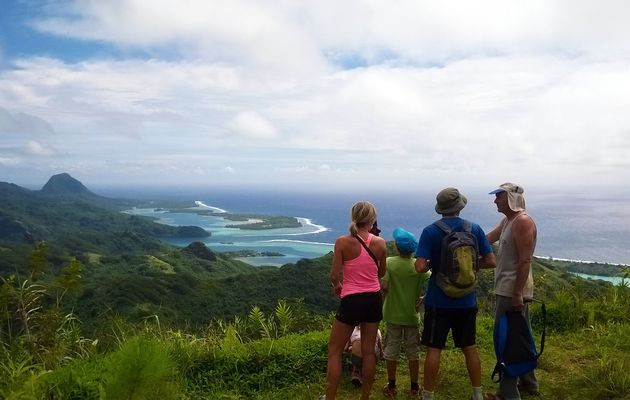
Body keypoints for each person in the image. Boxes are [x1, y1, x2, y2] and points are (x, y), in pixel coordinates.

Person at [414, 188, 496, 400]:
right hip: (467, 300)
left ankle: (428, 395)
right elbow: (491, 261)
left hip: (438, 301)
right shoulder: (474, 229)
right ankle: (477, 394)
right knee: (470, 347)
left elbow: (420, 267)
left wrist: (437, 264)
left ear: (440, 209)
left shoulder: (430, 231)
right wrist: (469, 267)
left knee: (434, 349)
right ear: (460, 206)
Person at [321, 201, 387, 400]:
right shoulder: (380, 243)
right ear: (372, 219)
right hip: (373, 299)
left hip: (351, 300)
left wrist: (337, 287)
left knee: (335, 351)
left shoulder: (342, 242)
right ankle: (364, 397)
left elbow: (334, 275)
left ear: (353, 218)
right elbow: (381, 272)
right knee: (368, 352)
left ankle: (330, 397)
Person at [485, 183, 539, 400]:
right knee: (521, 335)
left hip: (512, 290)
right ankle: (529, 384)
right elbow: (487, 239)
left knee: (506, 340)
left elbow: (525, 259)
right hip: (509, 288)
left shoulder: (522, 222)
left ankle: (507, 393)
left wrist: (517, 293)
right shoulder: (508, 221)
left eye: (498, 196)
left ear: (509, 198)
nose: (495, 201)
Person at [381, 227, 430, 398]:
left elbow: (384, 286)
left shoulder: (389, 263)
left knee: (391, 350)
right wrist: (425, 297)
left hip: (392, 314)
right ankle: (414, 387)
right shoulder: (418, 267)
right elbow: (434, 279)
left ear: (397, 247)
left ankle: (392, 385)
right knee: (413, 352)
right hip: (411, 315)